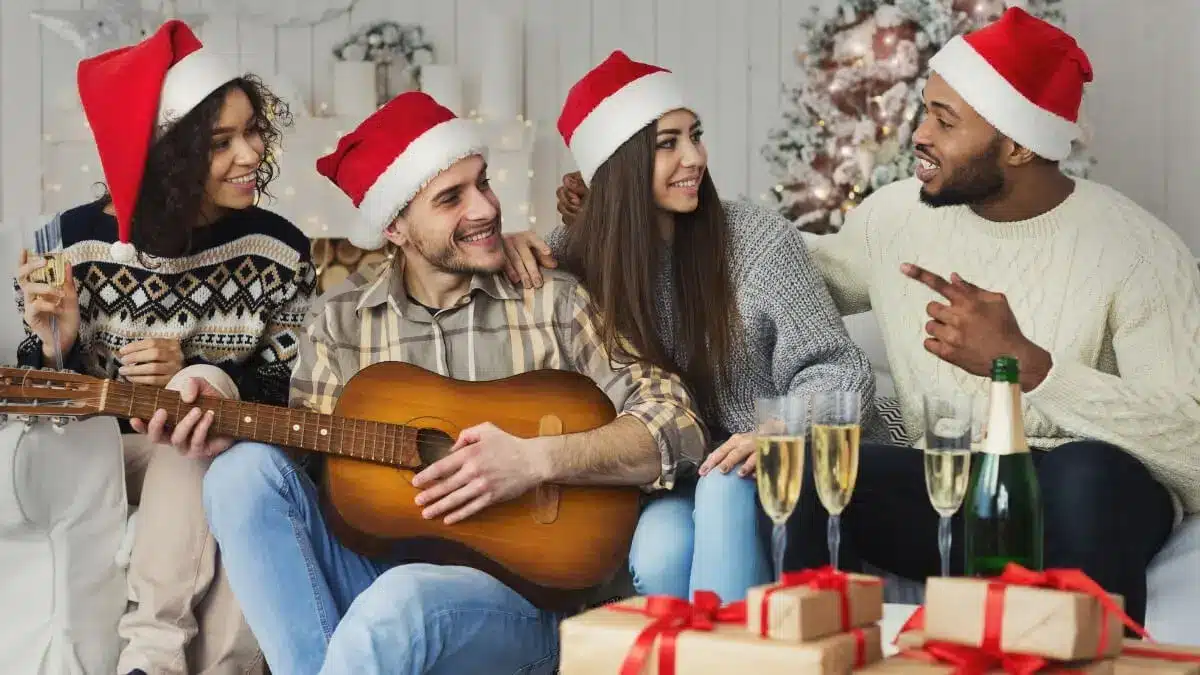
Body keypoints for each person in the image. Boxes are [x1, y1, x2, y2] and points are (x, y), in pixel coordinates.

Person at [559, 9, 1199, 624]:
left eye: (944, 122)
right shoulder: (896, 218)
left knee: (1090, 471)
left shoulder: (1137, 251)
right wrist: (608, 226)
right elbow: (776, 272)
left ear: (1018, 146)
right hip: (947, 475)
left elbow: (1192, 446)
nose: (918, 134)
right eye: (926, 110)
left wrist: (1032, 369)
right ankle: (810, 649)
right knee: (813, 468)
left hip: (1081, 487)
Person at [134, 91, 712, 674]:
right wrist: (227, 422)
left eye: (483, 183)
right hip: (380, 577)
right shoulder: (340, 325)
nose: (485, 207)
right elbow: (307, 464)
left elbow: (678, 423)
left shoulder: (551, 300)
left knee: (400, 601)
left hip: (523, 605)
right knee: (241, 475)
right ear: (396, 227)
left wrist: (537, 460)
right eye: (451, 198)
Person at [500, 50, 884, 603]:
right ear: (620, 164)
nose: (694, 157)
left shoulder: (754, 238)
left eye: (695, 135)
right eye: (668, 143)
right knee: (660, 559)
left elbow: (840, 370)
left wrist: (782, 430)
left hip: (770, 467)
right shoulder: (572, 257)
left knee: (726, 490)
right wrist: (507, 245)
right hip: (666, 477)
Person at [14, 20, 314, 675]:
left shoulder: (282, 250)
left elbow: (277, 398)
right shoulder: (65, 244)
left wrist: (198, 372)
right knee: (195, 436)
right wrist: (56, 343)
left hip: (207, 449)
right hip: (97, 457)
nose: (250, 154)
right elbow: (36, 412)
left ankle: (163, 662)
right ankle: (163, 655)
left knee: (199, 426)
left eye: (253, 130)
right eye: (221, 142)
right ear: (172, 157)